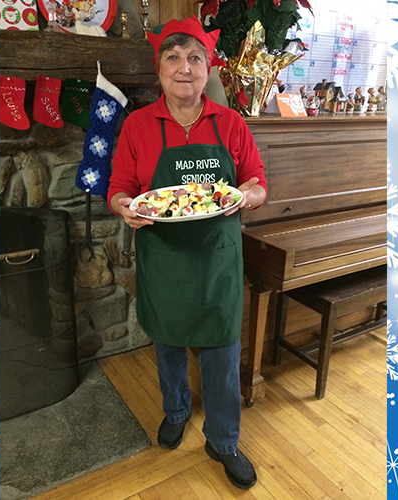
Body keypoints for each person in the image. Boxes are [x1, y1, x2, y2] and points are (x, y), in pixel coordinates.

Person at [107, 16, 267, 490]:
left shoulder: (231, 123)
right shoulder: (137, 126)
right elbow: (119, 190)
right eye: (172, 58)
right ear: (159, 70)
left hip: (218, 259)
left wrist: (248, 197)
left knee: (222, 351)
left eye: (194, 58)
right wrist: (124, 208)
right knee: (169, 342)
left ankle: (222, 439)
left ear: (207, 68)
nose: (184, 68)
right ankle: (176, 411)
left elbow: (256, 182)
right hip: (164, 260)